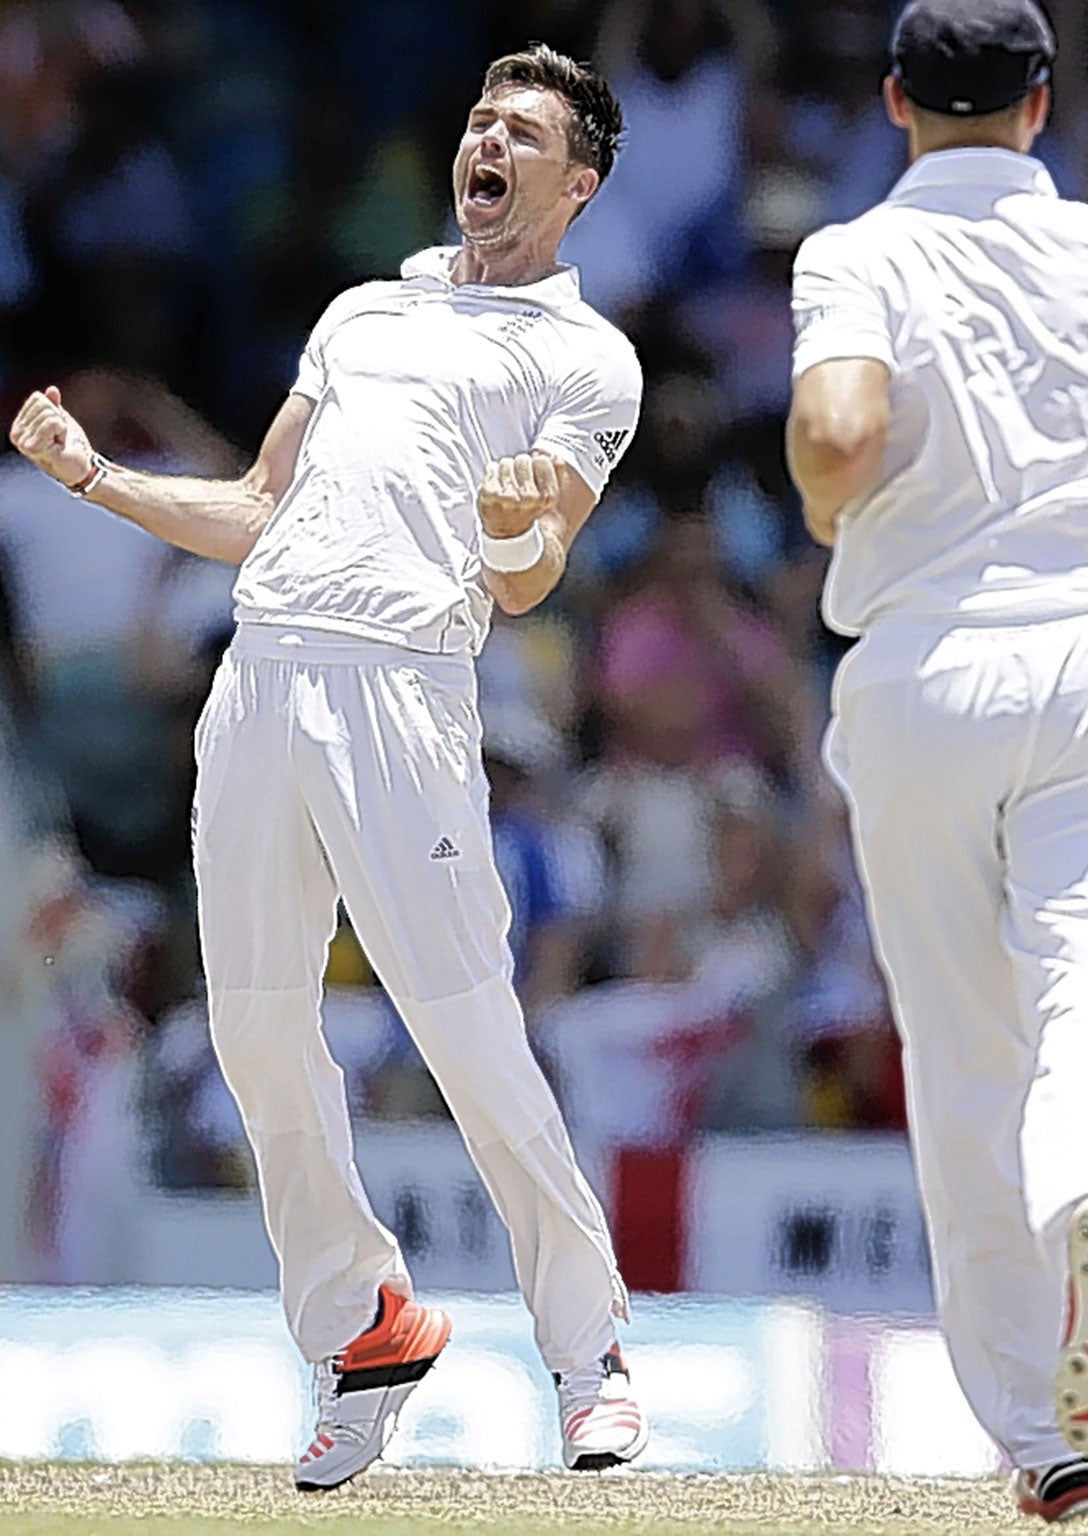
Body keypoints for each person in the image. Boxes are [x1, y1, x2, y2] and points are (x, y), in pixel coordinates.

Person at [8, 44, 647, 1489]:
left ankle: (590, 1350)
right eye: (480, 119)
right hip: (260, 680)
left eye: (522, 132)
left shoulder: (585, 359)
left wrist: (515, 524)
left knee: (468, 1029)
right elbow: (255, 505)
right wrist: (94, 480)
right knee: (253, 1031)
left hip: (402, 694)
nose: (486, 141)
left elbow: (531, 581)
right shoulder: (364, 311)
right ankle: (363, 1324)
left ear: (576, 184)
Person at [783, 0, 1088, 1518]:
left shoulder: (857, 251)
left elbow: (841, 426)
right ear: (1044, 108)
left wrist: (824, 501)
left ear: (894, 102)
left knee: (963, 1040)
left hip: (929, 662)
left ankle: (1041, 1434)